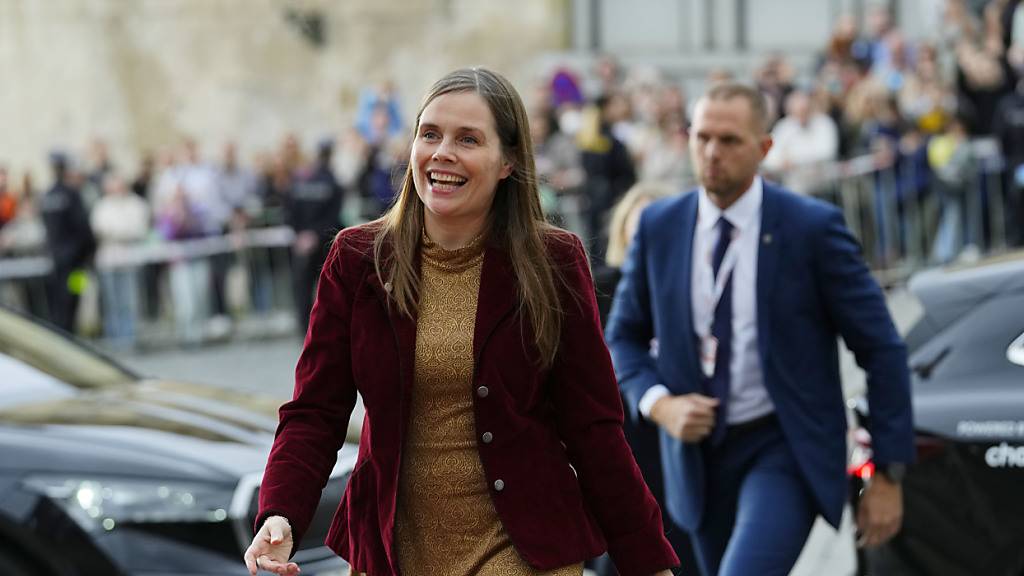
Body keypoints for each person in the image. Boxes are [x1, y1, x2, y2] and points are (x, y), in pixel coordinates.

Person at [244, 67, 679, 576]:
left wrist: (646, 559)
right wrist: (281, 511)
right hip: (391, 549)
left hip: (523, 550)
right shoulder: (358, 258)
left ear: (507, 162)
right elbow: (315, 410)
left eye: (468, 139)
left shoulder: (553, 260)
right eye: (430, 134)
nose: (443, 152)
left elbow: (594, 427)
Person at [605, 82, 914, 576]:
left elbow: (881, 347)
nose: (711, 153)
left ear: (764, 148)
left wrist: (889, 472)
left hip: (783, 445)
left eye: (729, 141)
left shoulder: (810, 228)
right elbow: (622, 338)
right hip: (694, 456)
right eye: (702, 137)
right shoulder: (659, 226)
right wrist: (659, 404)